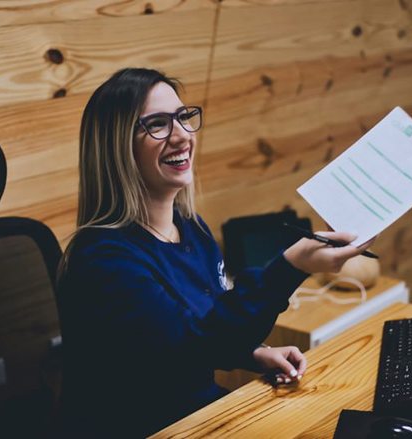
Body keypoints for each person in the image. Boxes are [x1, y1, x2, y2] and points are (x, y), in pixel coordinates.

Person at [56, 67, 372, 438]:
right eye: (158, 124)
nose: (181, 136)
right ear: (116, 148)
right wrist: (291, 266)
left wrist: (251, 353)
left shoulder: (189, 227)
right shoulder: (103, 259)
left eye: (183, 118)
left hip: (196, 414)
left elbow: (204, 329)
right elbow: (189, 350)